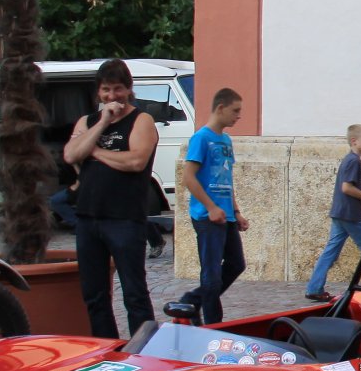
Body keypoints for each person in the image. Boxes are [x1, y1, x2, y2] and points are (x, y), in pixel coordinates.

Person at [63, 59, 159, 340]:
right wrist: (103, 121)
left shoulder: (141, 120)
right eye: (106, 90)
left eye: (118, 89)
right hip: (88, 217)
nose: (112, 96)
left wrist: (94, 152)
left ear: (129, 89)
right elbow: (70, 154)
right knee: (94, 295)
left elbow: (136, 161)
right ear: (99, 92)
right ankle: (106, 347)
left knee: (134, 293)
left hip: (124, 218)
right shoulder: (87, 121)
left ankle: (143, 349)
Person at [168, 88, 249, 324]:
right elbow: (189, 177)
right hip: (207, 216)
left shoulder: (226, 140)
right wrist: (211, 207)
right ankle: (213, 325)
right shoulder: (201, 138)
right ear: (220, 108)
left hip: (226, 215)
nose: (238, 116)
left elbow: (226, 179)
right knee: (211, 277)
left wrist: (236, 211)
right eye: (235, 111)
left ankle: (192, 301)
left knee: (236, 264)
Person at [305, 124, 361, 301]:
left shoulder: (349, 159)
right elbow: (347, 188)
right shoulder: (353, 161)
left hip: (340, 212)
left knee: (331, 251)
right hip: (350, 214)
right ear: (354, 141)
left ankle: (314, 287)